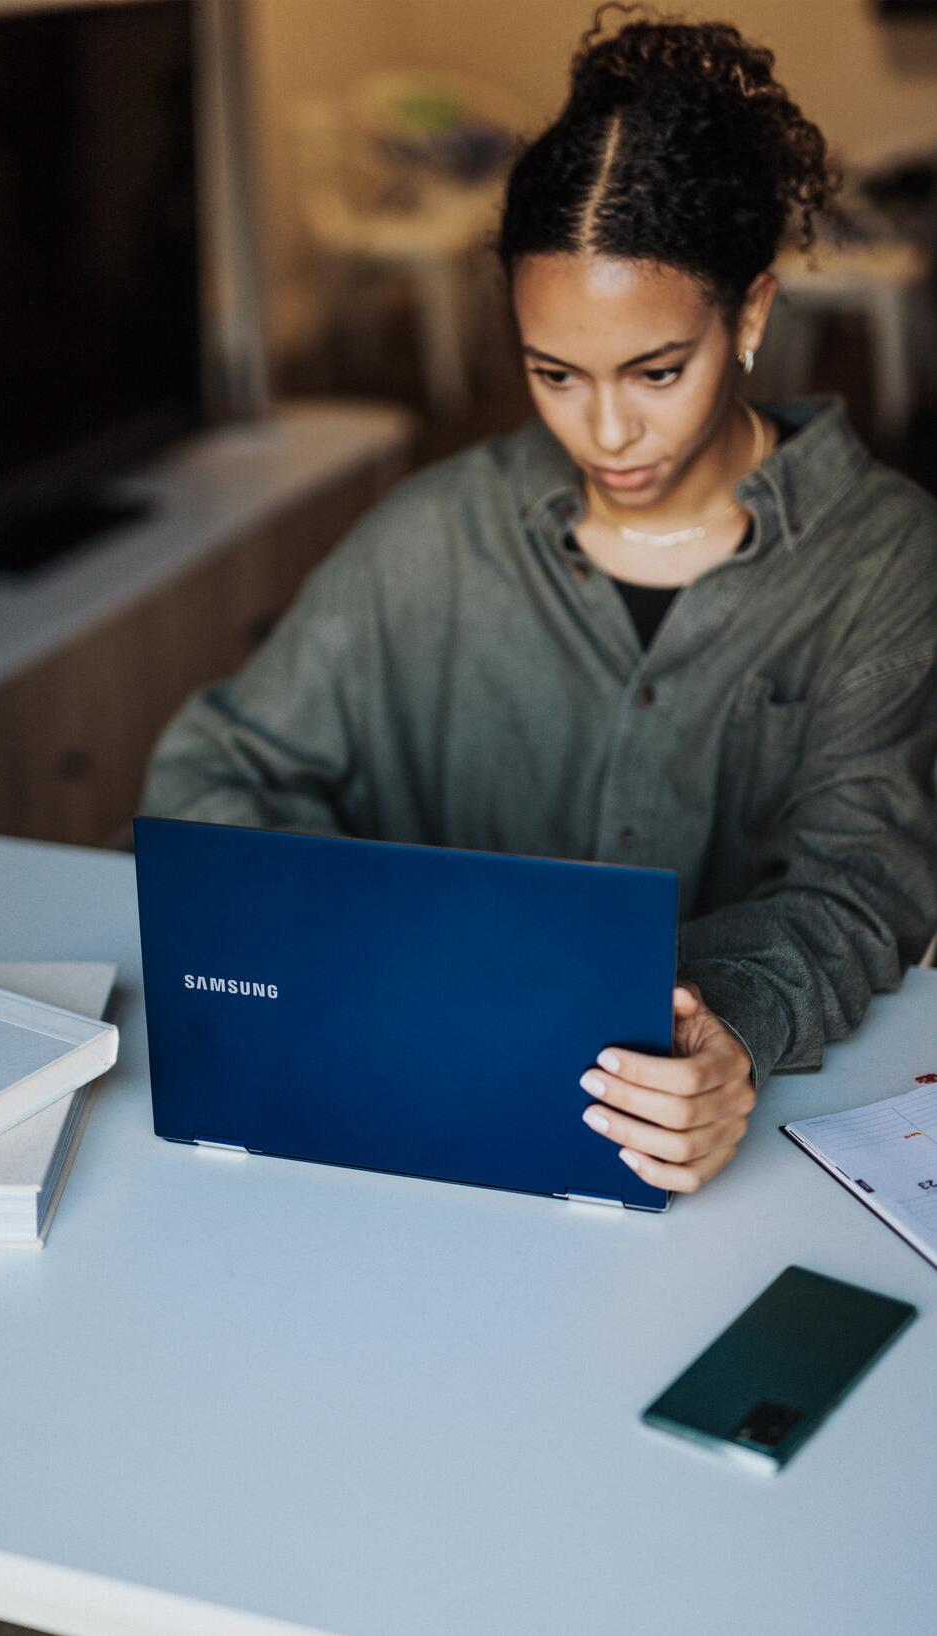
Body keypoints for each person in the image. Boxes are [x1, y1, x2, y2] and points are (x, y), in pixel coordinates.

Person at [141, 9, 937, 1194]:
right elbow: (215, 770)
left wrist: (728, 1032)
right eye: (553, 374)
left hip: (713, 1163)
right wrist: (358, 953)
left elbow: (861, 882)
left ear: (752, 316)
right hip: (408, 1142)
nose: (606, 431)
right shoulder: (434, 531)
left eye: (657, 373)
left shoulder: (882, 553)